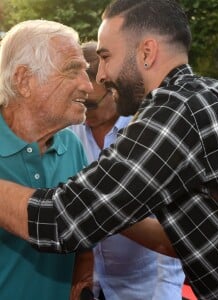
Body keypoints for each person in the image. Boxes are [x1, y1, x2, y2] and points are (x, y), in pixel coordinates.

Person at [0, 1, 218, 299]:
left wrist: (95, 213)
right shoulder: (206, 98)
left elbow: (59, 220)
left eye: (105, 56)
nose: (98, 78)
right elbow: (191, 236)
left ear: (146, 53)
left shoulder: (177, 113)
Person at [70, 41, 184, 300]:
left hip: (145, 289)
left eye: (90, 104)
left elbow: (172, 224)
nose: (83, 112)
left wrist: (165, 293)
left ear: (114, 90)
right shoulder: (70, 135)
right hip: (90, 286)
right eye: (77, 100)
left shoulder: (148, 135)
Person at [0, 20, 94, 300]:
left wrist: (84, 271)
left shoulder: (71, 145)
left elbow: (84, 229)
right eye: (72, 70)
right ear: (24, 80)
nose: (88, 86)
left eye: (85, 72)